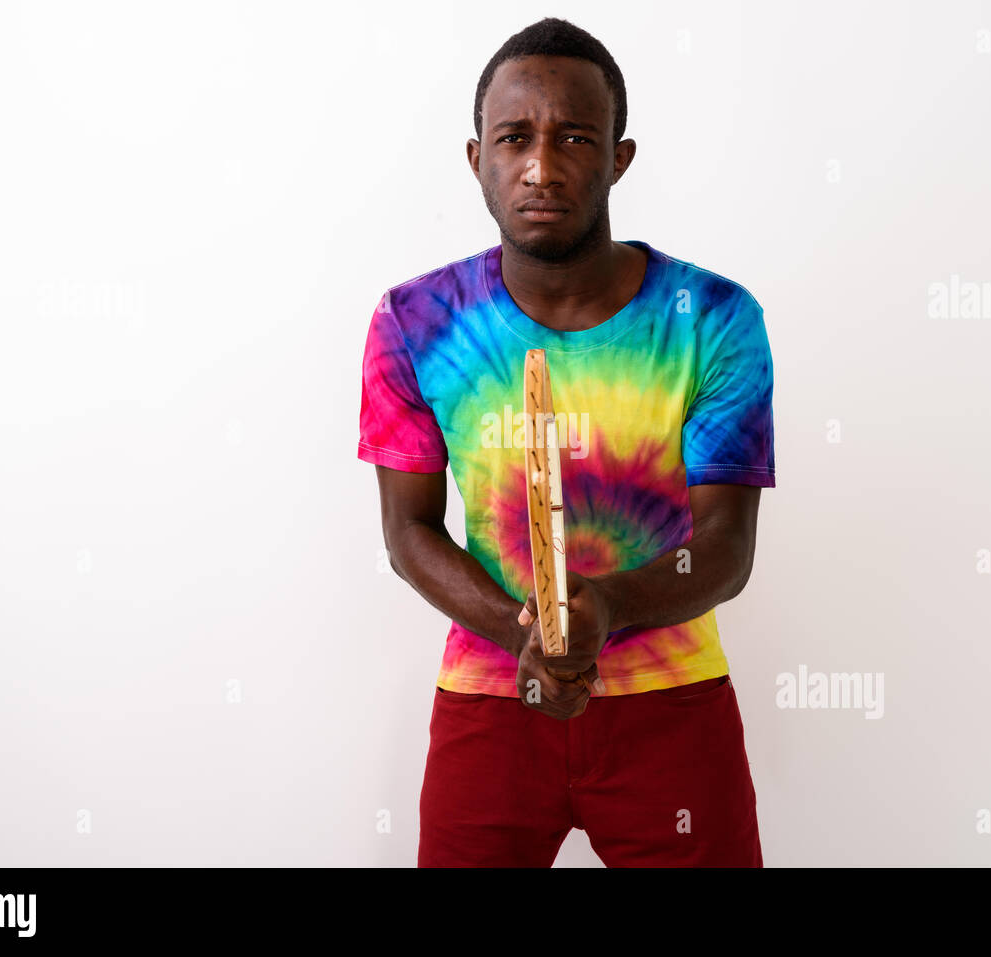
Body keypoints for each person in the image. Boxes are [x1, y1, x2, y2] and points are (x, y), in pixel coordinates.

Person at [357, 17, 775, 867]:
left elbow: (726, 549)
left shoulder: (715, 321)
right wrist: (528, 639)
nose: (541, 166)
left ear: (619, 157)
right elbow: (407, 535)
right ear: (478, 159)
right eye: (514, 138)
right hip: (490, 703)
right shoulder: (416, 323)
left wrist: (608, 609)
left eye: (575, 137)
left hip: (671, 705)